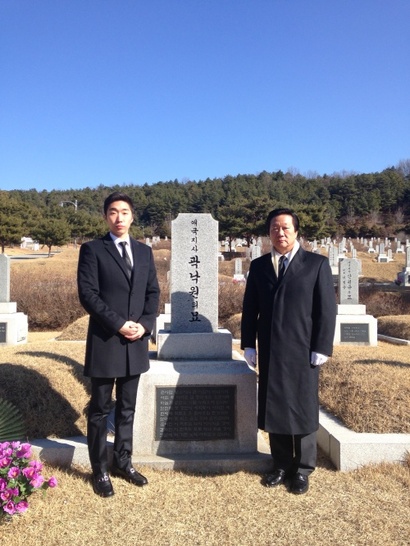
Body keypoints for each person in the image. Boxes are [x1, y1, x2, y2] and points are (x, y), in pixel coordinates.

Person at [241, 208, 336, 494]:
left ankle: (303, 469)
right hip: (270, 348)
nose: (279, 233)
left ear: (296, 231)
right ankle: (281, 464)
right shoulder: (259, 267)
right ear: (268, 233)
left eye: (285, 228)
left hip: (303, 349)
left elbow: (326, 311)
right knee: (275, 406)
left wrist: (321, 346)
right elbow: (250, 309)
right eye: (274, 228)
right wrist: (248, 343)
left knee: (303, 406)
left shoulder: (316, 265)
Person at [77, 191, 160, 497]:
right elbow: (88, 295)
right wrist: (118, 323)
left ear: (132, 216)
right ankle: (99, 470)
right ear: (105, 217)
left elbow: (153, 293)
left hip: (135, 342)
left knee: (127, 408)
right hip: (105, 339)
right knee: (99, 409)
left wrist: (145, 325)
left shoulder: (144, 252)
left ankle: (123, 462)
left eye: (124, 212)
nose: (119, 217)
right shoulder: (92, 250)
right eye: (113, 212)